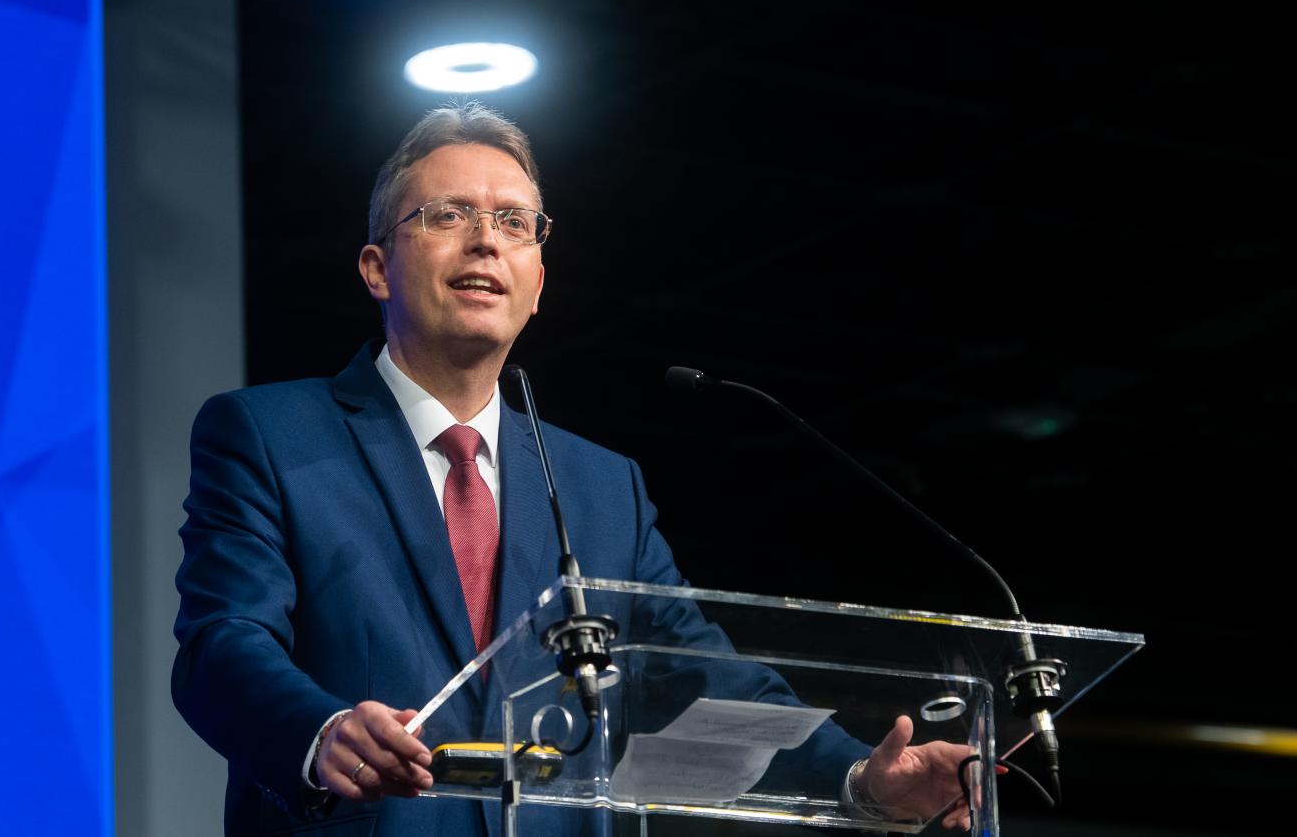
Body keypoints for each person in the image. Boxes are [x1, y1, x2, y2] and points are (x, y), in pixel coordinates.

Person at [173, 102, 973, 836]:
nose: (486, 240)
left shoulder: (600, 487)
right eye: (448, 214)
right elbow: (222, 643)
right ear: (378, 268)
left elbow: (700, 678)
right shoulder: (270, 434)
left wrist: (862, 778)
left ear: (537, 286)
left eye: (515, 223)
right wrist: (320, 731)